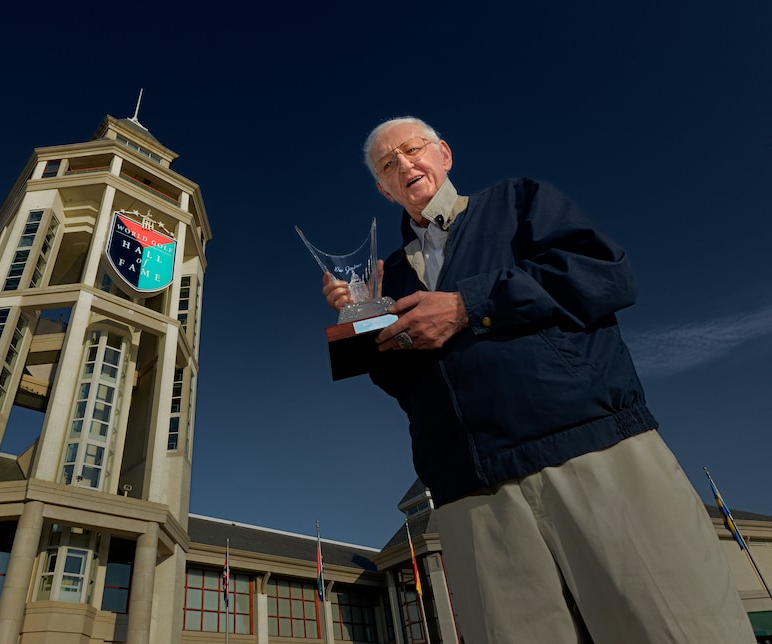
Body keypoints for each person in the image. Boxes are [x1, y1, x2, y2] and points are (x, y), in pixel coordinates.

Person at [322, 116, 754, 643]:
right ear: (384, 190)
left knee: (674, 629)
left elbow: (607, 275)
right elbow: (409, 387)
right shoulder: (387, 275)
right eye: (388, 165)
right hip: (471, 497)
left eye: (413, 150)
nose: (404, 165)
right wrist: (361, 321)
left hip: (590, 450)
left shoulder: (517, 201)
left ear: (444, 154)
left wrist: (467, 305)